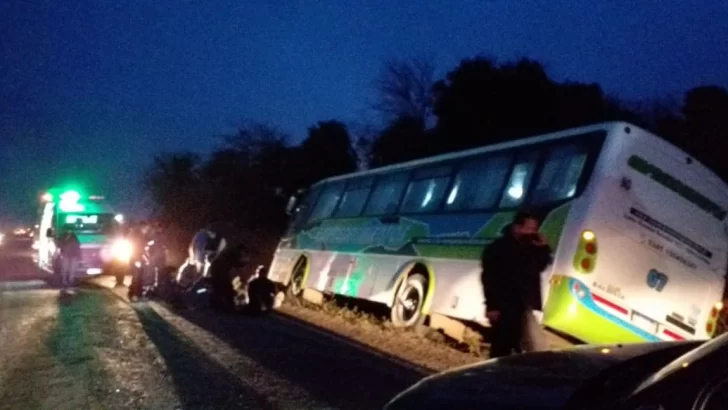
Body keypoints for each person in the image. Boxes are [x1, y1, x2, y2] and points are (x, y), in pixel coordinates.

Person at [481, 210, 553, 358]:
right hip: (504, 305)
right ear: (517, 227)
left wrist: (543, 248)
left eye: (534, 229)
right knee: (501, 346)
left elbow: (540, 266)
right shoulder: (499, 248)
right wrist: (492, 306)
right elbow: (489, 277)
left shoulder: (530, 247)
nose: (532, 233)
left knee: (518, 348)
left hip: (523, 305)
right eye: (528, 228)